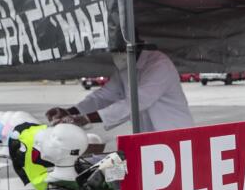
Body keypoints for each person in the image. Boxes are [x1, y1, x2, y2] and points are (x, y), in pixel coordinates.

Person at [46, 47, 194, 133]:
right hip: (148, 138)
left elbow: (137, 102)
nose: (115, 53)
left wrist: (86, 118)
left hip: (176, 134)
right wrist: (71, 112)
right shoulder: (126, 68)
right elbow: (103, 96)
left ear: (134, 44)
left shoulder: (159, 64)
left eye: (118, 48)